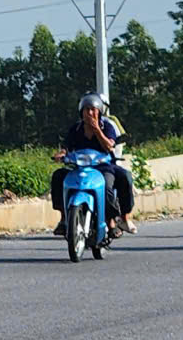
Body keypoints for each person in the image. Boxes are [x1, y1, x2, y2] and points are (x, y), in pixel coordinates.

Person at [51, 92, 135, 238]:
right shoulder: (75, 129)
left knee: (113, 183)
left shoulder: (107, 126)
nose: (89, 113)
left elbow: (109, 146)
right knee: (58, 176)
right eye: (86, 110)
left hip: (103, 166)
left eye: (92, 109)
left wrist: (97, 130)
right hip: (79, 167)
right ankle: (64, 218)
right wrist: (62, 154)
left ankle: (113, 221)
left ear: (99, 111)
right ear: (81, 112)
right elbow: (66, 147)